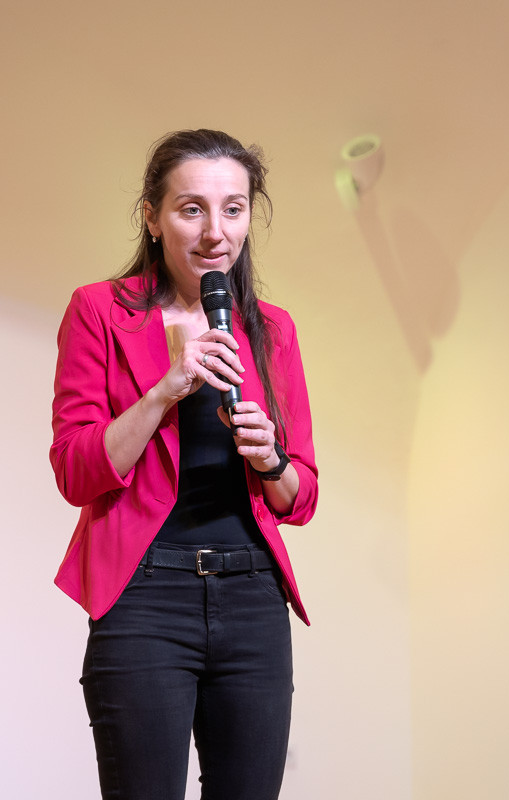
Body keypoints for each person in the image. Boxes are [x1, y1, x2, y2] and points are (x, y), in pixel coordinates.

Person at [49, 129, 319, 800]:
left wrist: (270, 459)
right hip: (146, 598)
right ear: (152, 215)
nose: (214, 232)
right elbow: (75, 471)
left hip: (253, 599)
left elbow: (301, 496)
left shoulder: (273, 329)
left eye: (233, 208)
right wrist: (165, 390)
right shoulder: (99, 311)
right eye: (191, 209)